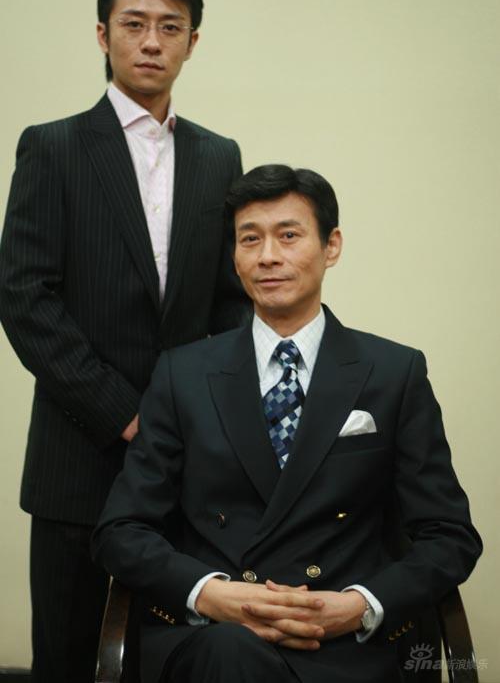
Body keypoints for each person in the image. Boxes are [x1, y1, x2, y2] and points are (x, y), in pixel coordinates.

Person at [92, 164, 482, 683]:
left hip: (345, 643)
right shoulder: (182, 374)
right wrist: (212, 594)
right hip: (216, 637)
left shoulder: (393, 372)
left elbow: (449, 536)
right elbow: (121, 530)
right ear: (234, 256)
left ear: (331, 246)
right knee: (230, 655)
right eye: (249, 239)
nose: (268, 256)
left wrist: (360, 605)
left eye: (289, 236)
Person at [0, 0, 250, 683]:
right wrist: (125, 413)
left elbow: (230, 297)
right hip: (79, 457)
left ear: (192, 42)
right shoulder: (52, 146)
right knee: (70, 658)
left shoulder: (219, 156)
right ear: (102, 34)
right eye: (134, 23)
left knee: (170, 658)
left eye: (170, 27)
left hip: (188, 460)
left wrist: (202, 413)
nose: (150, 42)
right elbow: (25, 296)